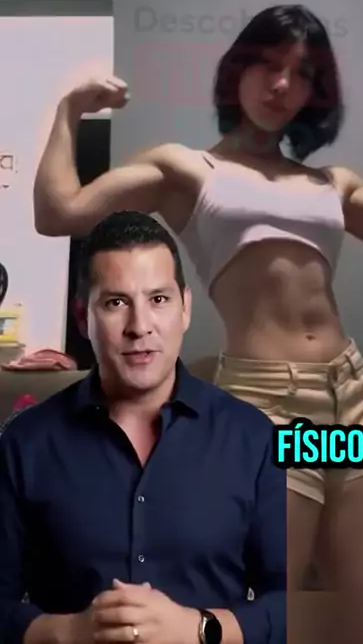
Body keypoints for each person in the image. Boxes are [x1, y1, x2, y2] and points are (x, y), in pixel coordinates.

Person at [33, 4, 363, 590]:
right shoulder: (187, 169)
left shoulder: (330, 183)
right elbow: (59, 212)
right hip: (269, 404)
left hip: (352, 398)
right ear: (238, 69)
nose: (282, 84)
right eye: (268, 64)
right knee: (267, 604)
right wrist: (68, 112)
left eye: (302, 73)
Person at [0, 211, 286, 644]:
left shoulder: (254, 438)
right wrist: (68, 632)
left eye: (158, 299)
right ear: (82, 317)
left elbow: (290, 601)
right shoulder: (25, 444)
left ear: (185, 308)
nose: (139, 327)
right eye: (116, 303)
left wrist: (199, 628)